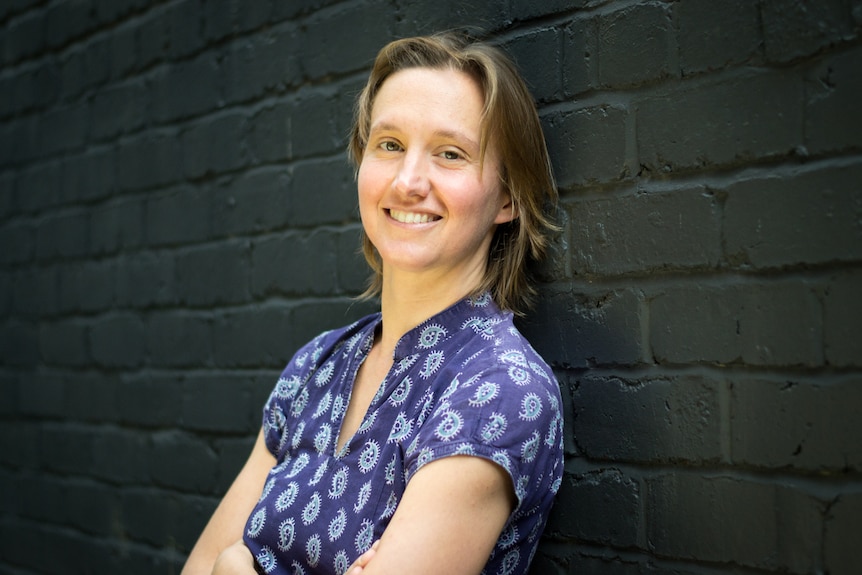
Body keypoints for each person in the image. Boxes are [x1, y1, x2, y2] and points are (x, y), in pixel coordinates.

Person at [182, 31, 563, 575]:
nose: (409, 181)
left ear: (506, 196)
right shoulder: (318, 364)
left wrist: (236, 567)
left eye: (450, 154)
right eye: (389, 145)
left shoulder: (499, 389)